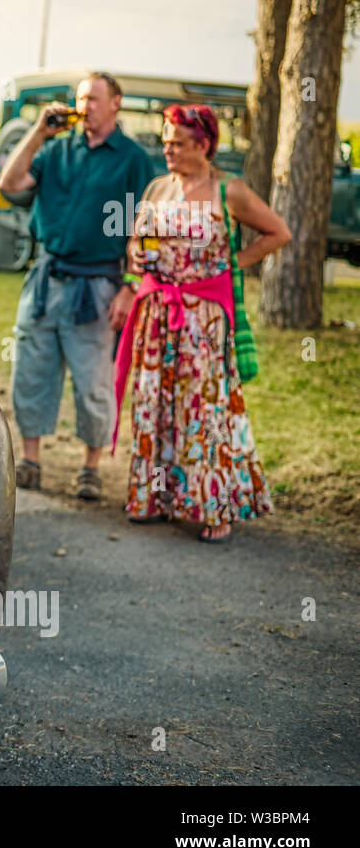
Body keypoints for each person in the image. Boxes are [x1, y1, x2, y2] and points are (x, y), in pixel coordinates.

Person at [113, 103, 290, 541]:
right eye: (166, 141)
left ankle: (214, 507)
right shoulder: (158, 188)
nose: (167, 149)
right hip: (158, 316)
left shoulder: (229, 190)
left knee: (203, 410)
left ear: (204, 145)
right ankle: (153, 498)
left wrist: (233, 264)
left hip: (203, 322)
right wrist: (136, 258)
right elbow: (139, 238)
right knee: (153, 405)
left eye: (177, 142)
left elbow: (278, 232)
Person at [0, 72, 154, 500]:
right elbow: (9, 184)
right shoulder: (55, 150)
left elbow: (144, 228)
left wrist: (130, 287)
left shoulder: (133, 160)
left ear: (116, 104)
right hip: (46, 280)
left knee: (93, 383)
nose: (86, 105)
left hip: (99, 285)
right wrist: (37, 131)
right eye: (82, 97)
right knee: (31, 372)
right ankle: (30, 460)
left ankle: (90, 467)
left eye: (96, 98)